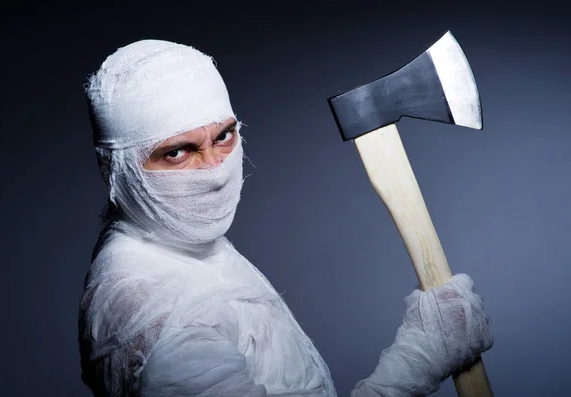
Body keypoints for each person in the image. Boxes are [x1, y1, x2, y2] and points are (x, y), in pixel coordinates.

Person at [78, 39, 494, 397]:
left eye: (224, 136)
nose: (213, 168)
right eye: (177, 151)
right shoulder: (155, 309)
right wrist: (420, 358)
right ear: (117, 168)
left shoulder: (175, 240)